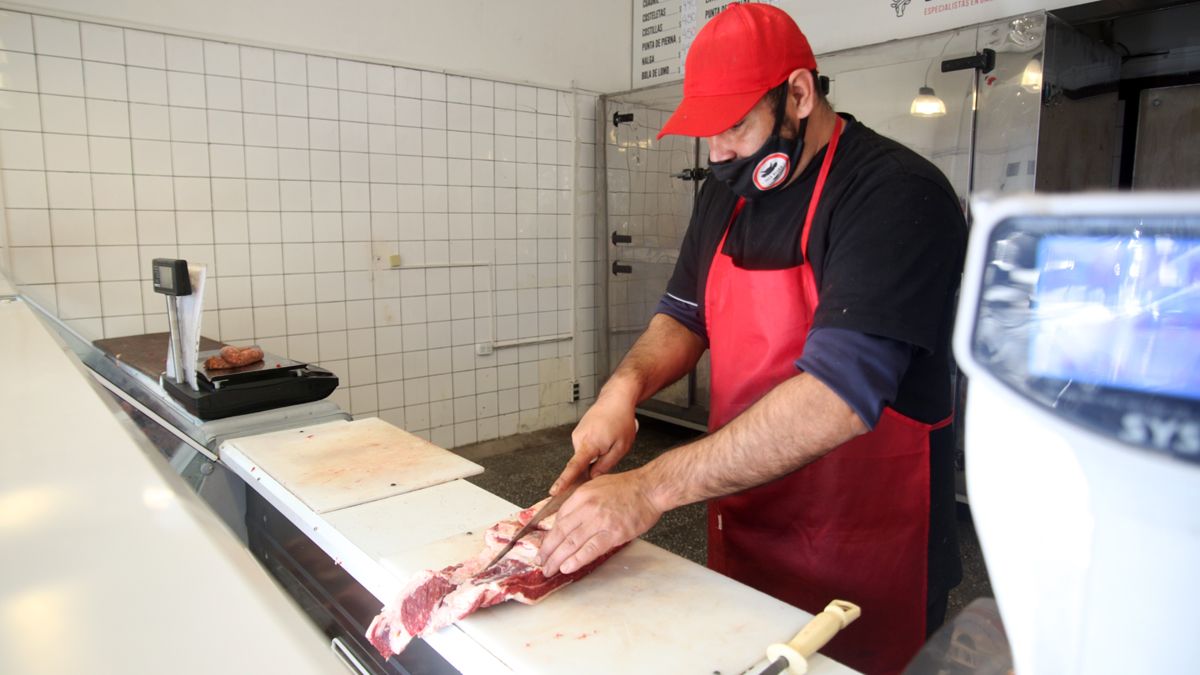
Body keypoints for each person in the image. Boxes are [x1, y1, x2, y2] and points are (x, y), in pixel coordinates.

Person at [536, 5, 965, 673]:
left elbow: (836, 398)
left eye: (735, 125)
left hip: (867, 548)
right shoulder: (725, 194)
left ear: (798, 93)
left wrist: (647, 489)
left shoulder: (894, 194)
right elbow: (683, 316)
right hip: (746, 517)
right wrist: (622, 390)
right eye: (708, 133)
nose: (720, 154)